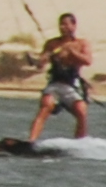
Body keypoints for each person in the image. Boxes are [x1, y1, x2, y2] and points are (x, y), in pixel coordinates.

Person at [23, 10, 99, 143]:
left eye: (66, 24)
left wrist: (73, 52)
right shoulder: (52, 44)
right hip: (56, 83)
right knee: (45, 106)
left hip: (71, 83)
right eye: (61, 25)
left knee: (81, 111)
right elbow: (41, 64)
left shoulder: (82, 43)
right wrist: (38, 60)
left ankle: (80, 143)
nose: (63, 28)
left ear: (74, 26)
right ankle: (31, 140)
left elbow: (88, 61)